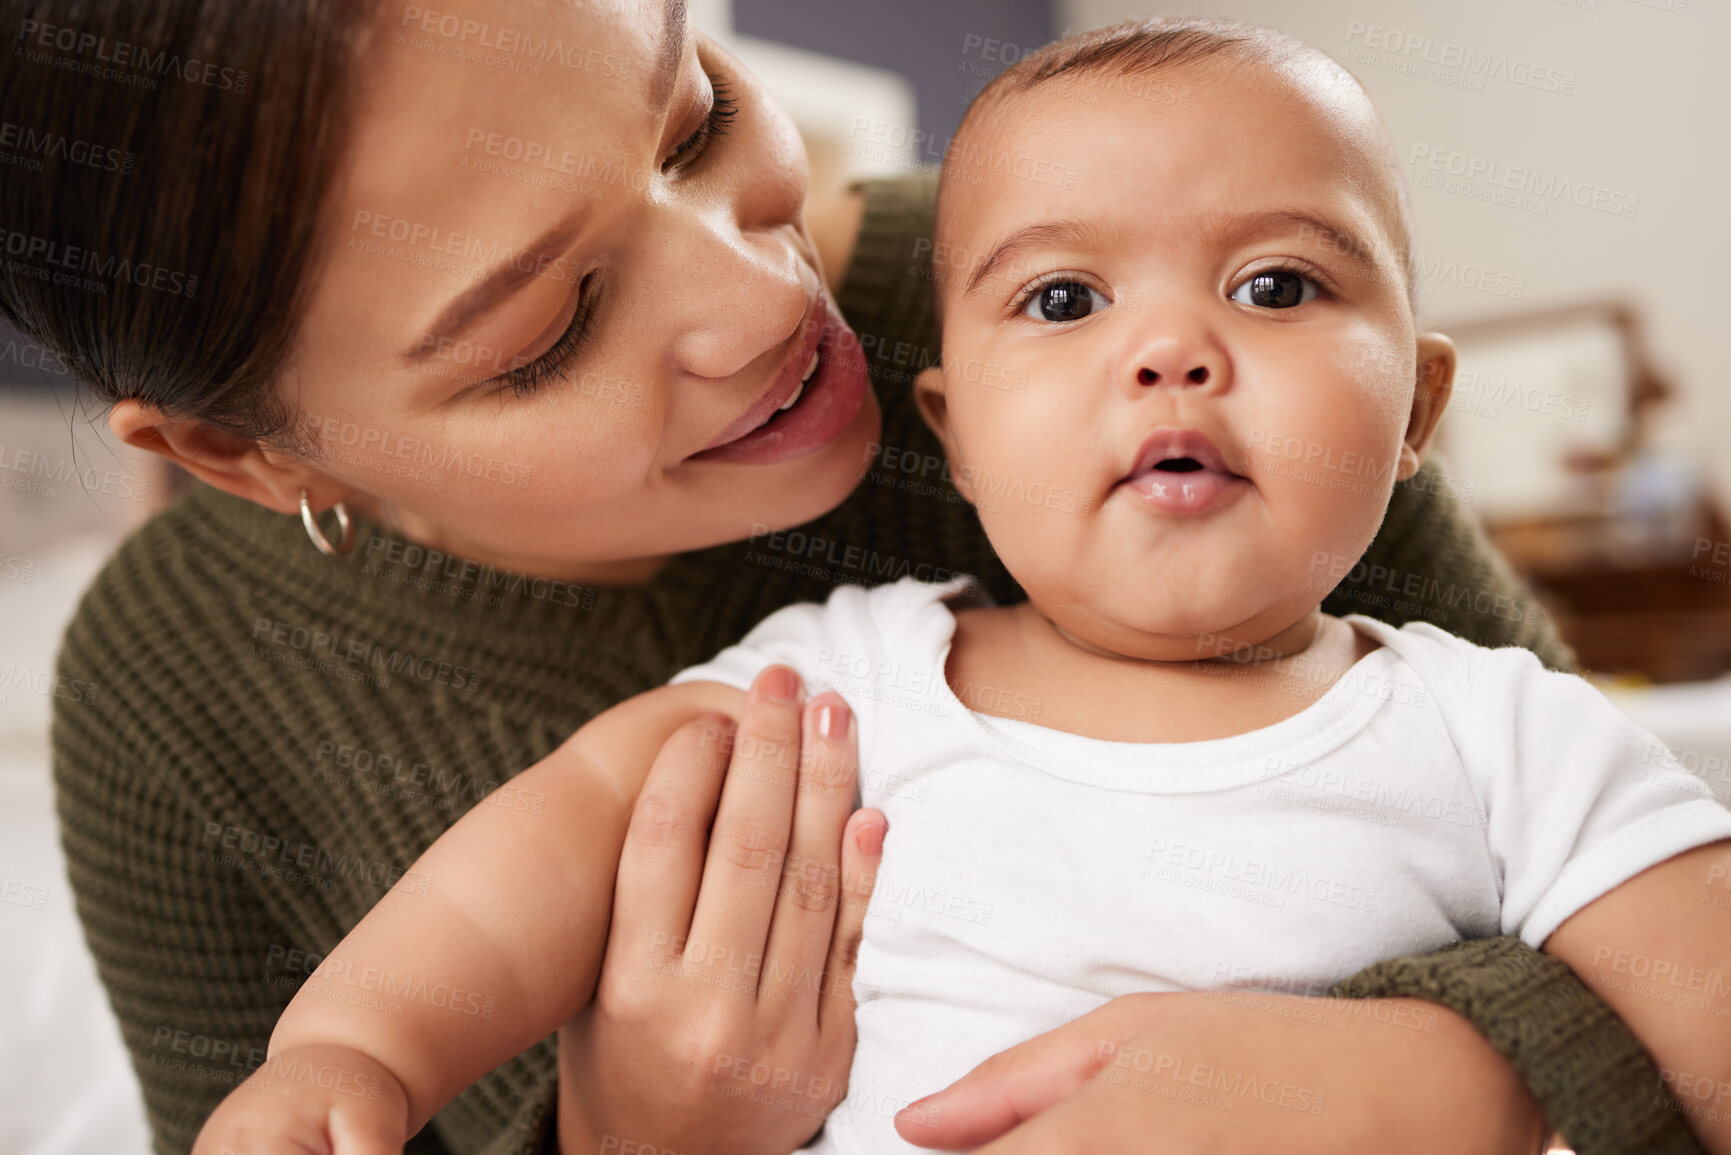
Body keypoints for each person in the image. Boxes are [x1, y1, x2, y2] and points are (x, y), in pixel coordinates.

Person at [8, 0, 1694, 1151]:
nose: (763, 304)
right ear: (255, 456)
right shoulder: (183, 708)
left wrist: (1445, 1080)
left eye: (697, 119)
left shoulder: (1144, 310)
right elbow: (520, 876)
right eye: (554, 329)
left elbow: (1631, 918)